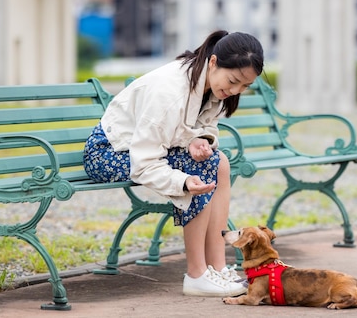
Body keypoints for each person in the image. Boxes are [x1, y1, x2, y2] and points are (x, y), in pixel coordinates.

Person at [83, 30, 264, 297]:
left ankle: (217, 267)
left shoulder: (210, 84)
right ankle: (197, 275)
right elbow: (144, 161)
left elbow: (203, 127)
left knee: (220, 162)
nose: (235, 91)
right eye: (234, 81)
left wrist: (199, 139)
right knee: (199, 168)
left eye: (244, 86)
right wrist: (181, 182)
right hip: (107, 153)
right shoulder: (170, 93)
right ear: (213, 62)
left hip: (142, 149)